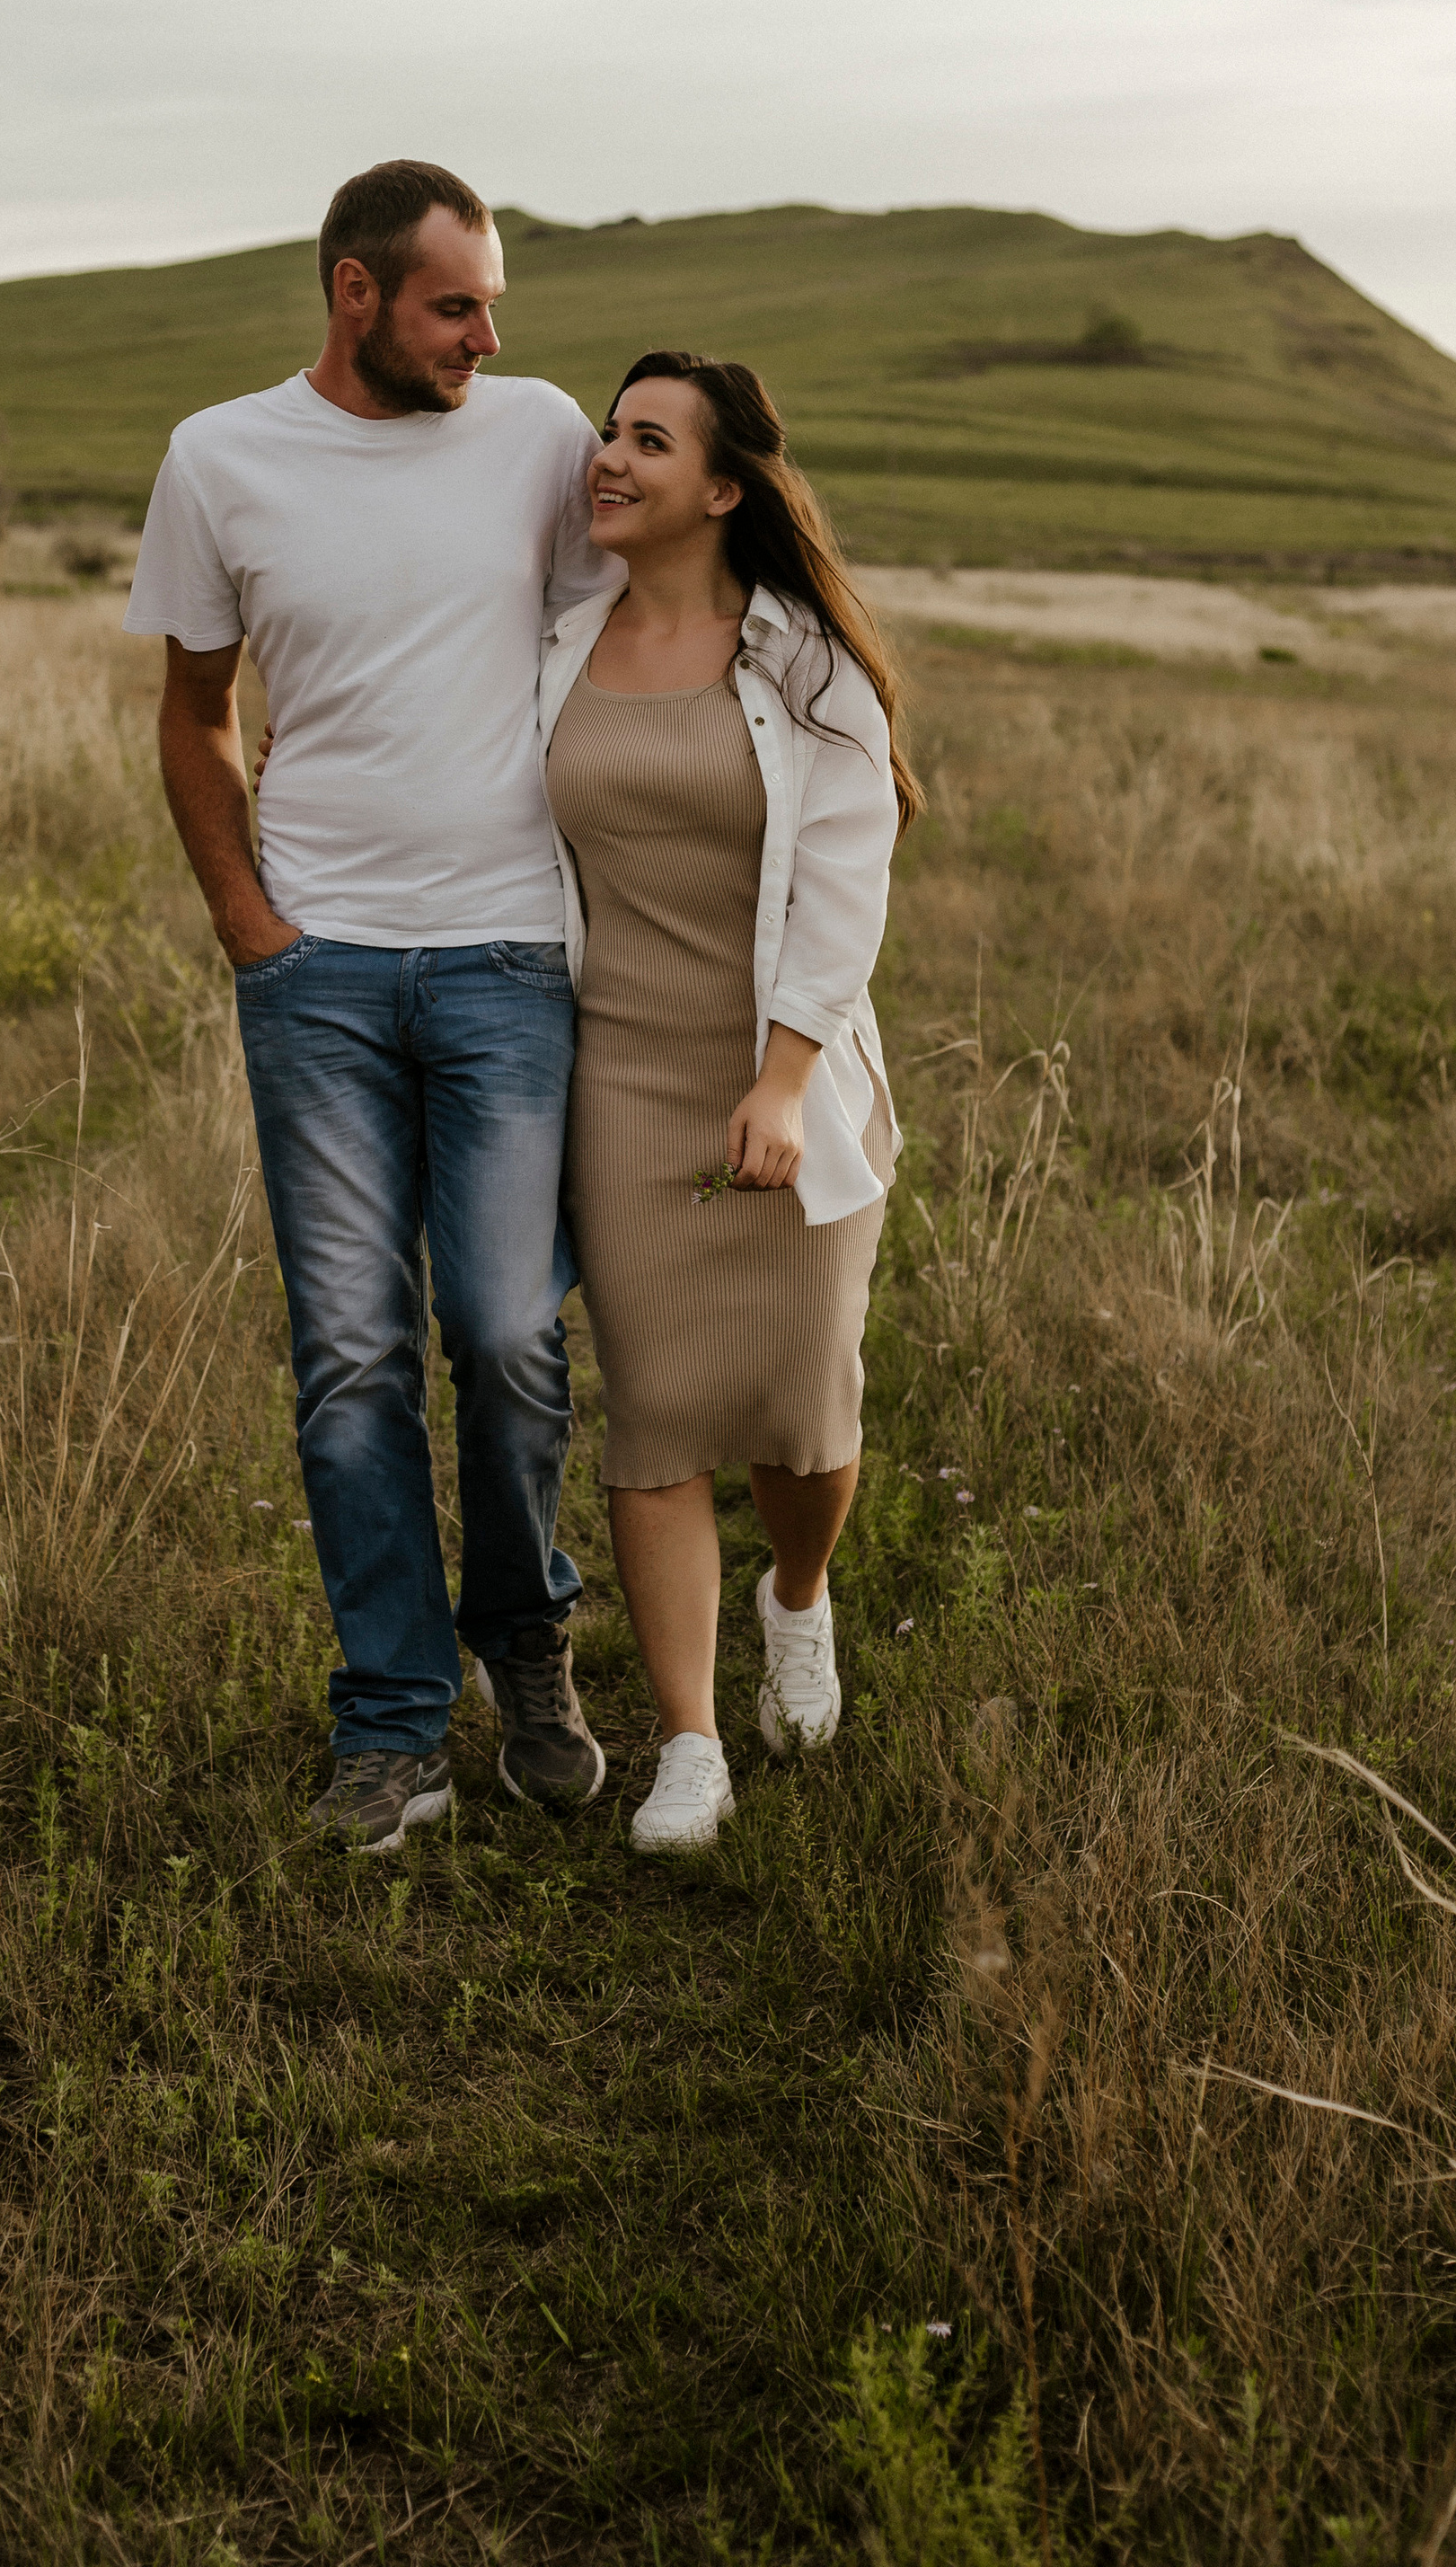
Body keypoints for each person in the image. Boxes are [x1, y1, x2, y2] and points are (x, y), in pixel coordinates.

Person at [127, 159, 622, 1852]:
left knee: (501, 1334)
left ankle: (526, 1634)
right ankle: (394, 1725)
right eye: (454, 304)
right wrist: (253, 929)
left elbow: (647, 619)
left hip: (504, 960)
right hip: (316, 976)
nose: (490, 333)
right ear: (356, 295)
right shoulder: (222, 460)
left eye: (493, 302)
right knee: (348, 1364)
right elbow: (195, 712)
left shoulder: (545, 432)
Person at [537, 350, 919, 1853]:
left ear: (723, 486)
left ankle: (799, 1597)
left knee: (805, 1418)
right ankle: (690, 1742)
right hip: (617, 1078)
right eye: (606, 437)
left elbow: (845, 879)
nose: (609, 461)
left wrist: (782, 1076)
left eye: (648, 439)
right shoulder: (559, 640)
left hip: (787, 1077)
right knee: (656, 1416)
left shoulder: (805, 660)